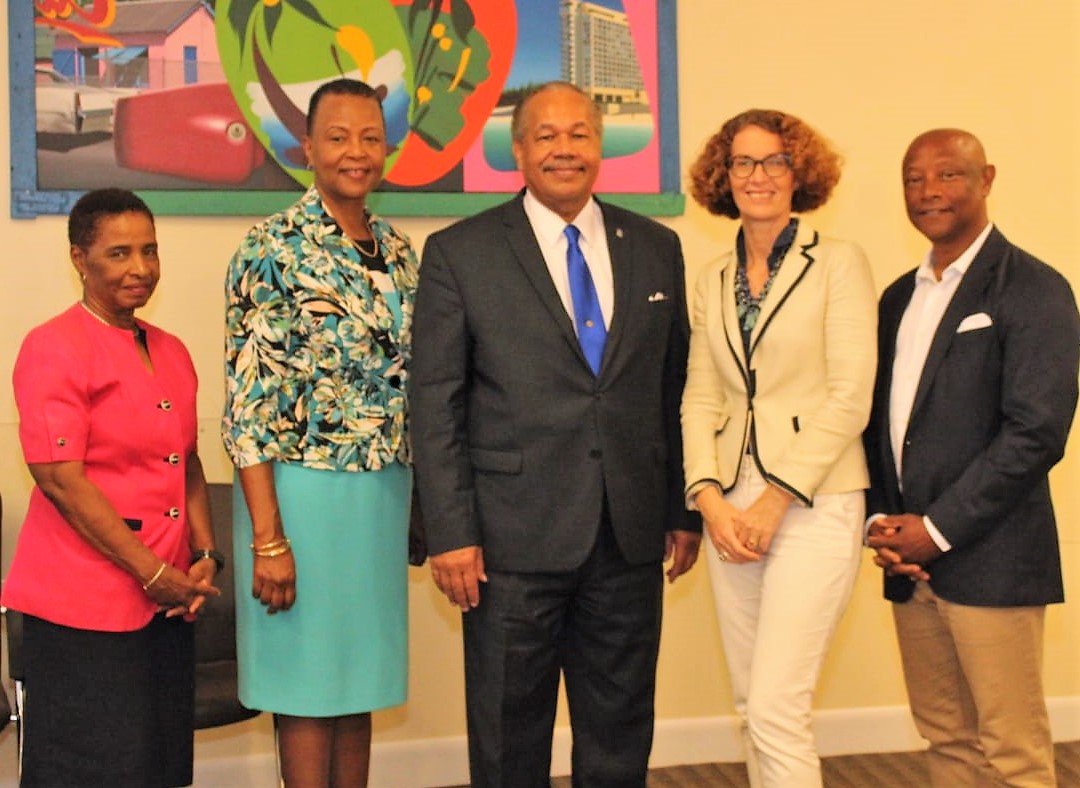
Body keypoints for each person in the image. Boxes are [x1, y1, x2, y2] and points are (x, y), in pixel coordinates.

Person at [410, 81, 701, 787]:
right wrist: (450, 531)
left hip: (627, 536)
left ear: (601, 144)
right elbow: (434, 399)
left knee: (621, 728)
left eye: (579, 133)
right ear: (518, 149)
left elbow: (672, 388)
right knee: (511, 736)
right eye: (546, 135)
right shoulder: (460, 252)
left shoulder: (657, 246)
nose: (564, 148)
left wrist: (678, 509)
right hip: (510, 540)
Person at [864, 128, 1080, 787]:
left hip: (993, 557)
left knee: (1012, 751)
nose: (929, 191)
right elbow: (878, 423)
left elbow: (1036, 433)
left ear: (986, 179)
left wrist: (937, 529)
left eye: (948, 175)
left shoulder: (1034, 288)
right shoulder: (899, 296)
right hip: (910, 564)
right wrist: (884, 524)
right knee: (946, 741)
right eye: (913, 178)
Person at [222, 78, 419, 787]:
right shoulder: (269, 247)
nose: (355, 152)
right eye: (337, 137)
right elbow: (247, 410)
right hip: (301, 499)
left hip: (379, 498)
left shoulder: (399, 252)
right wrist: (270, 539)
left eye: (370, 137)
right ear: (306, 147)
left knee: (356, 685)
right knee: (306, 690)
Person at [681, 109, 877, 787]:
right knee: (748, 704)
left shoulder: (841, 263)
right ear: (722, 176)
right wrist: (707, 497)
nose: (757, 176)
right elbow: (700, 396)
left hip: (814, 503)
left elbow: (850, 397)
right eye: (742, 162)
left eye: (774, 162)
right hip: (730, 507)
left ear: (800, 174)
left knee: (776, 707)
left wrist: (773, 500)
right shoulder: (710, 278)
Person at [3, 187, 221, 787]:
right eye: (120, 253)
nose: (142, 269)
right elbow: (61, 481)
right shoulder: (52, 348)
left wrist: (203, 556)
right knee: (95, 770)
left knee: (157, 765)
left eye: (150, 251)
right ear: (79, 258)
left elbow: (189, 462)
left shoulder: (171, 350)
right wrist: (151, 572)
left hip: (168, 605)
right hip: (85, 613)